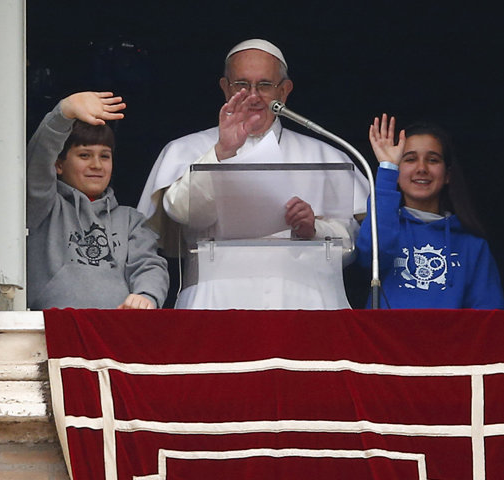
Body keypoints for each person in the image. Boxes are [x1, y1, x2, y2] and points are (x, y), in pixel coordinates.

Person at [137, 39, 369, 309]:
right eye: (242, 85)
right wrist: (221, 152)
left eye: (265, 85)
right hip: (213, 305)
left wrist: (314, 229)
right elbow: (183, 214)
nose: (254, 95)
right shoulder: (187, 148)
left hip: (306, 304)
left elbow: (353, 245)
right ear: (225, 88)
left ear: (284, 91)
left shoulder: (326, 155)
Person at [27, 91, 169, 310]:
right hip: (50, 330)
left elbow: (149, 265)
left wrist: (146, 296)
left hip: (114, 330)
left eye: (104, 156)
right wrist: (63, 112)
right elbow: (38, 162)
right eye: (85, 155)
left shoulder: (130, 219)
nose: (97, 165)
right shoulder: (43, 206)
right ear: (58, 164)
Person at [356, 114, 504, 309]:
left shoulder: (472, 245)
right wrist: (387, 170)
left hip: (451, 340)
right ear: (398, 173)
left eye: (432, 160)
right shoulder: (386, 231)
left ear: (447, 175)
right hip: (387, 339)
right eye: (410, 159)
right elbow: (369, 254)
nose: (421, 168)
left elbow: (489, 317)